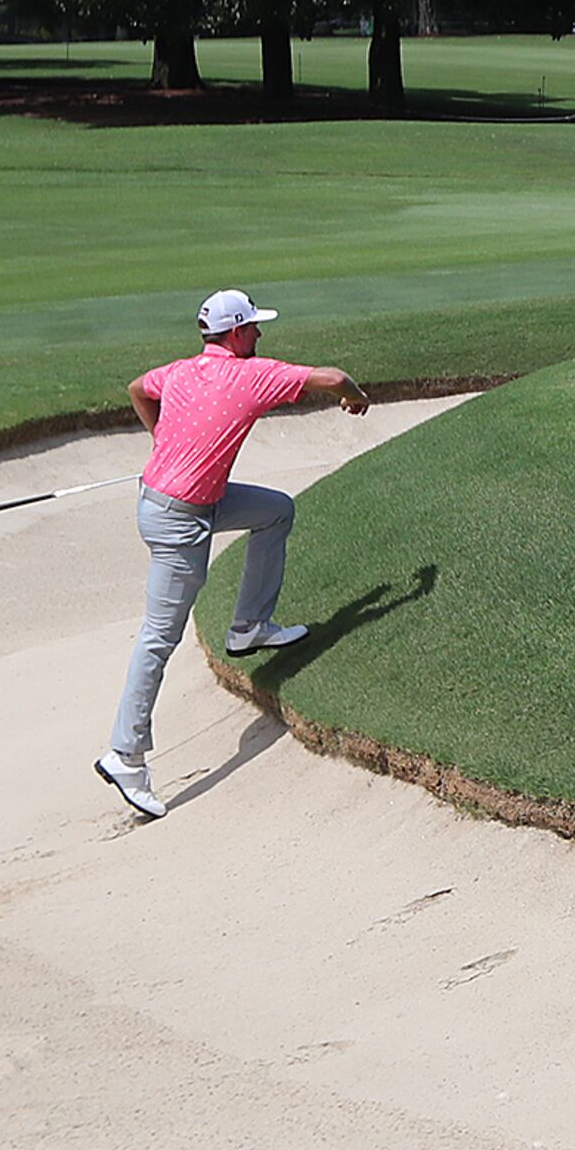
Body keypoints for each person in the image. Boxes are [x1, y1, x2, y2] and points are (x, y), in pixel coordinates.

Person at [95, 289, 369, 819]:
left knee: (275, 511)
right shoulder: (250, 373)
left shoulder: (180, 371)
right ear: (238, 333)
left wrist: (161, 440)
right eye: (254, 328)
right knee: (158, 636)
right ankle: (126, 753)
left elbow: (137, 388)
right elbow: (333, 379)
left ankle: (249, 627)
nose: (261, 335)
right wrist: (356, 397)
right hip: (179, 520)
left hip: (178, 500)